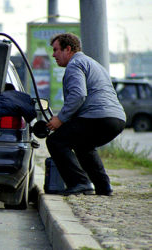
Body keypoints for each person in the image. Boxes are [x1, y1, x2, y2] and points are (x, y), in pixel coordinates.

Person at [46, 33, 126, 196]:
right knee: (83, 145)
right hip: (117, 119)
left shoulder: (75, 64)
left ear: (68, 49)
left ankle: (80, 183)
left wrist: (60, 119)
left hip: (98, 117)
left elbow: (78, 95)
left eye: (55, 50)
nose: (53, 54)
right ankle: (104, 187)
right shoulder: (93, 63)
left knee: (56, 141)